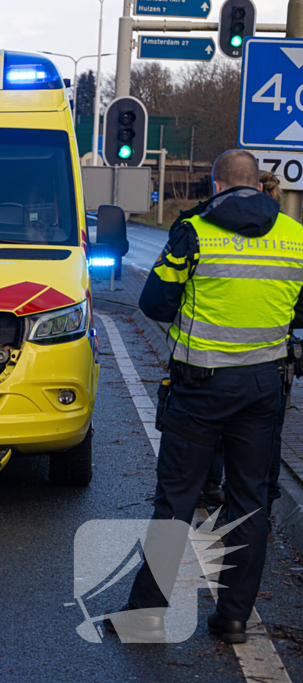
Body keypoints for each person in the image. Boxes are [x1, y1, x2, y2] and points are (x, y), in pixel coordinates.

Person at [104, 150, 303, 644]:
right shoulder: (296, 238)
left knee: (176, 501)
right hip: (263, 387)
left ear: (216, 185)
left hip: (200, 387)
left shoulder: (195, 233)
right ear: (257, 184)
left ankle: (147, 615)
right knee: (250, 500)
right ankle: (234, 618)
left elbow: (153, 303)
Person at [198, 171, 288, 513]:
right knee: (266, 440)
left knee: (210, 434)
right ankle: (261, 504)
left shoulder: (205, 226)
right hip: (268, 367)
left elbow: (159, 301)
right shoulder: (293, 236)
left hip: (211, 362)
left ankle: (208, 487)